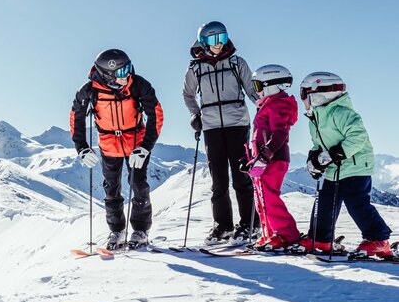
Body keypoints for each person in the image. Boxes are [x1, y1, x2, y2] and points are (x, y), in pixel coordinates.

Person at [71, 48, 164, 249]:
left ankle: (140, 231)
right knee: (111, 189)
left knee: (139, 185)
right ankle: (116, 231)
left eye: (129, 68)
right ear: (108, 74)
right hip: (108, 145)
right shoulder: (88, 91)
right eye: (122, 72)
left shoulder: (139, 85)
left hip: (136, 145)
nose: (128, 74)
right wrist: (82, 148)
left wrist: (145, 147)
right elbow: (76, 118)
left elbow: (156, 115)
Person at [295, 72, 392, 257]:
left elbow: (358, 137)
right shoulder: (315, 118)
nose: (304, 99)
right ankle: (321, 238)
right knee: (324, 202)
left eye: (304, 93)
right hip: (335, 168)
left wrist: (333, 154)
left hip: (356, 166)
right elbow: (318, 144)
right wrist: (314, 159)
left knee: (356, 202)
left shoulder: (342, 113)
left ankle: (378, 239)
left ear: (320, 92)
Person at [183, 21, 260, 244]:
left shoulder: (237, 63)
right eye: (213, 40)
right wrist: (195, 115)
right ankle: (223, 227)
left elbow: (251, 89)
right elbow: (188, 95)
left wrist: (264, 107)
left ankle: (249, 224)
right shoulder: (195, 68)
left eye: (222, 38)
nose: (219, 44)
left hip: (237, 123)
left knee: (241, 177)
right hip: (211, 127)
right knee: (218, 180)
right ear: (203, 42)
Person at [240, 65, 301, 250]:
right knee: (261, 198)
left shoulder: (278, 104)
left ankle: (286, 234)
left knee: (269, 196)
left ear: (271, 85)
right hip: (263, 158)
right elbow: (260, 135)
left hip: (274, 158)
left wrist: (266, 155)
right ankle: (269, 234)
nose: (256, 91)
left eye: (258, 86)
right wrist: (249, 158)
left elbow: (280, 133)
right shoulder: (267, 105)